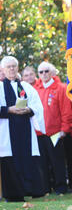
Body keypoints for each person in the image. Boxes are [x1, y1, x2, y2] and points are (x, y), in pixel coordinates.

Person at [0, 56, 46, 201]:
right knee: (10, 160)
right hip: (7, 131)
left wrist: (28, 109)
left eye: (14, 66)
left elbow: (38, 106)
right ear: (3, 70)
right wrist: (9, 110)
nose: (12, 69)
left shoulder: (26, 87)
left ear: (17, 68)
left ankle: (32, 190)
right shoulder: (0, 88)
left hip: (25, 129)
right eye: (8, 67)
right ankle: (13, 195)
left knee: (29, 159)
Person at [34, 61, 72, 195]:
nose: (44, 74)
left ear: (52, 72)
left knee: (57, 162)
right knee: (42, 162)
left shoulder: (61, 88)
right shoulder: (36, 90)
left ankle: (60, 187)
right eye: (41, 72)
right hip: (40, 133)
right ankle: (45, 188)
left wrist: (64, 129)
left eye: (46, 71)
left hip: (55, 132)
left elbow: (66, 111)